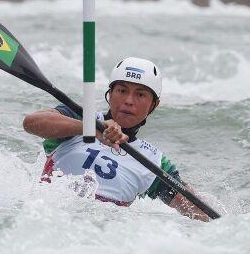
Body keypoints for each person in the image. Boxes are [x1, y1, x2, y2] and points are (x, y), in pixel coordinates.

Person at [23, 57, 210, 221]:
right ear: (110, 94)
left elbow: (199, 213)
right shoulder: (79, 117)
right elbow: (31, 123)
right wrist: (91, 129)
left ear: (154, 105)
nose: (129, 100)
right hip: (47, 215)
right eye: (122, 90)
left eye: (140, 94)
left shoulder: (153, 161)